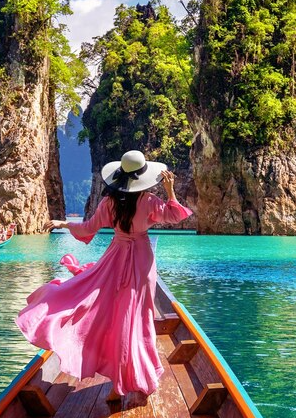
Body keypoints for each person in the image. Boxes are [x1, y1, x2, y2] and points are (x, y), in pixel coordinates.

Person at [15, 150, 192, 408]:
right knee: (137, 319)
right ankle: (132, 379)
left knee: (112, 315)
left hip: (115, 258)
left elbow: (88, 228)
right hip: (141, 261)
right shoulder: (150, 201)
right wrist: (170, 190)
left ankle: (117, 384)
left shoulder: (109, 203)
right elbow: (174, 216)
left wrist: (64, 224)